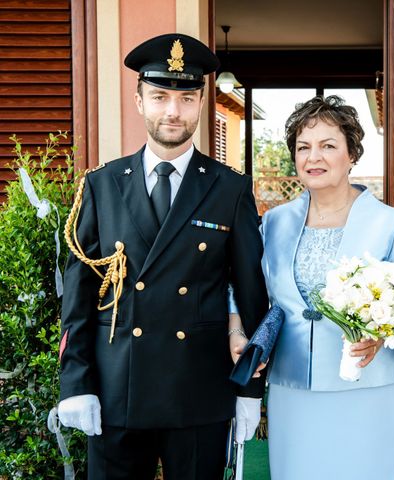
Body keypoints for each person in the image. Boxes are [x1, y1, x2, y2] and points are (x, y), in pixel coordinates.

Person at [56, 33, 268, 479]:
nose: (173, 111)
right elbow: (78, 297)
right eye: (159, 97)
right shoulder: (102, 185)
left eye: (187, 98)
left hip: (197, 391)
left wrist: (250, 388)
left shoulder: (230, 189)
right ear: (139, 101)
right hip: (117, 390)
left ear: (201, 104)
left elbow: (250, 295)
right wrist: (76, 384)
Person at [260, 95, 394, 479]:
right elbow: (250, 288)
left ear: (352, 154)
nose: (313, 157)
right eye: (303, 147)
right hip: (292, 384)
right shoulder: (274, 223)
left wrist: (381, 338)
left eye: (328, 146)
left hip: (365, 385)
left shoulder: (392, 223)